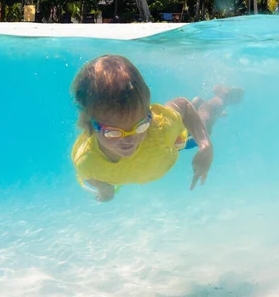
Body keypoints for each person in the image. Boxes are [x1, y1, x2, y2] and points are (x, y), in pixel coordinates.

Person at [70, 54, 243, 202]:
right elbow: (92, 177)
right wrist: (105, 190)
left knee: (205, 122)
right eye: (113, 132)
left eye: (139, 126)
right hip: (162, 143)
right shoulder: (86, 160)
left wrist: (206, 145)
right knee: (171, 120)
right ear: (89, 124)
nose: (130, 140)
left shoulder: (159, 127)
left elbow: (182, 105)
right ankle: (194, 106)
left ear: (147, 117)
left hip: (173, 141)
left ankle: (222, 97)